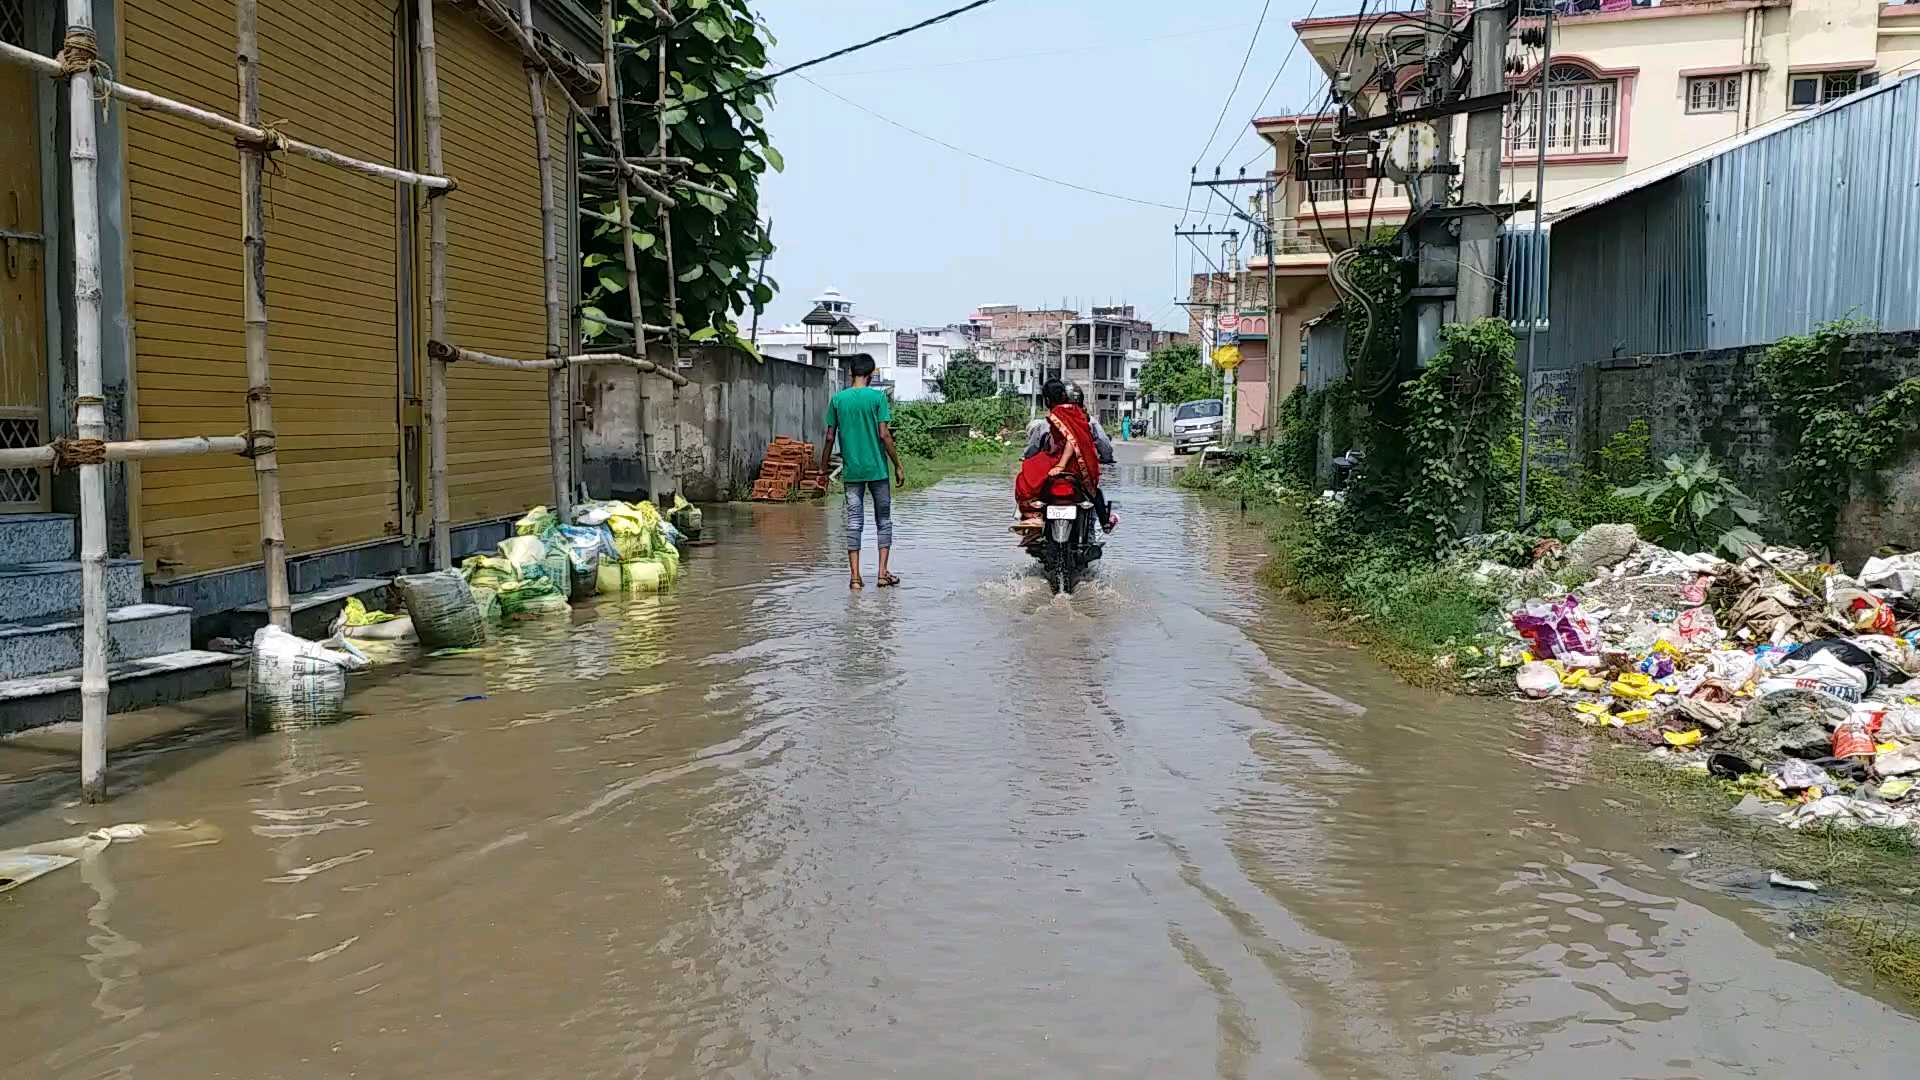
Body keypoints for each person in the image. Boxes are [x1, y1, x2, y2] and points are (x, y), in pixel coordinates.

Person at [819, 354, 905, 590]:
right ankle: (881, 573)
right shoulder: (878, 398)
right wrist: (897, 464)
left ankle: (855, 578)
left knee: (854, 522)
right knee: (884, 521)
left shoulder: (838, 400)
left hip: (852, 471)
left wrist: (822, 469)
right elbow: (884, 435)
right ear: (871, 374)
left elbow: (829, 437)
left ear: (851, 373)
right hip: (877, 470)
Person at [1014, 379, 1116, 531]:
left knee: (1026, 477)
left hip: (1063, 462)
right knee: (1095, 492)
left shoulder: (1054, 417)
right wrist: (1105, 459)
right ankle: (1105, 523)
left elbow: (1068, 441)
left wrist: (1059, 464)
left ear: (1048, 400)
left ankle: (1032, 516)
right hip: (1080, 465)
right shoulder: (1085, 418)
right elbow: (1102, 444)